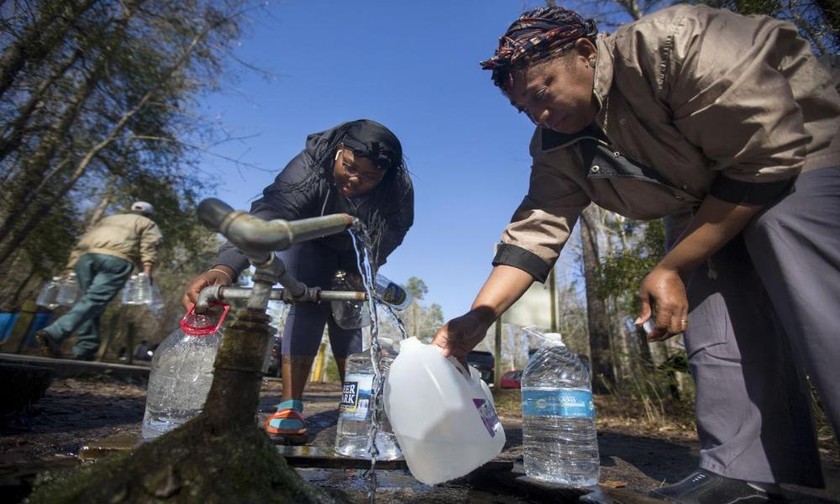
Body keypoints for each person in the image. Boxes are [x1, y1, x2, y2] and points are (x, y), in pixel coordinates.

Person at [433, 5, 839, 503]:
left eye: (543, 92)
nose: (540, 115)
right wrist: (480, 316)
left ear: (585, 52)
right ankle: (743, 470)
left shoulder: (672, 43)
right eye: (525, 109)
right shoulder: (557, 145)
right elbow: (536, 228)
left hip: (799, 155)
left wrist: (670, 265)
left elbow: (765, 151)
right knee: (712, 314)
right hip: (698, 199)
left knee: (814, 289)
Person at [182, 119, 414, 444]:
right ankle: (290, 406)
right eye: (349, 167)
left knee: (349, 314)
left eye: (369, 176)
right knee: (307, 302)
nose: (356, 179)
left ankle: (358, 408)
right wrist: (225, 268)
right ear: (338, 152)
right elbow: (267, 215)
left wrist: (365, 267)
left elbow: (393, 232)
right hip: (307, 239)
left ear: (384, 177)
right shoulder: (308, 167)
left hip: (354, 247)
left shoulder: (398, 192)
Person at [35, 201, 163, 361]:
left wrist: (70, 266)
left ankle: (86, 349)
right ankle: (54, 333)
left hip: (86, 258)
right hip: (117, 260)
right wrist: (147, 270)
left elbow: (83, 241)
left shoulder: (110, 219)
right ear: (149, 214)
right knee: (94, 301)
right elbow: (149, 245)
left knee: (89, 303)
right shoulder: (147, 223)